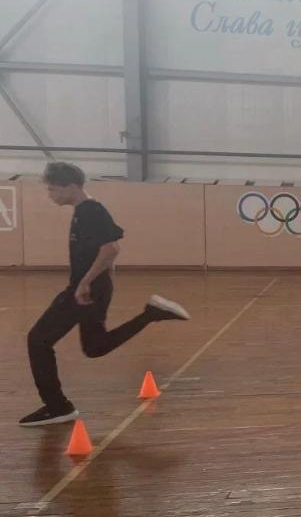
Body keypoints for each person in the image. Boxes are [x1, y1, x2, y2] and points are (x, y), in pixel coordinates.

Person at [19, 162, 190, 427]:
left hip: (84, 291)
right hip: (92, 288)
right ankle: (151, 314)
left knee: (38, 340)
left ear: (71, 187)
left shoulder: (91, 211)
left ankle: (57, 407)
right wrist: (101, 283)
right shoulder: (84, 211)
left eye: (53, 189)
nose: (50, 195)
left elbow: (111, 249)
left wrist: (86, 283)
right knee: (95, 347)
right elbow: (107, 251)